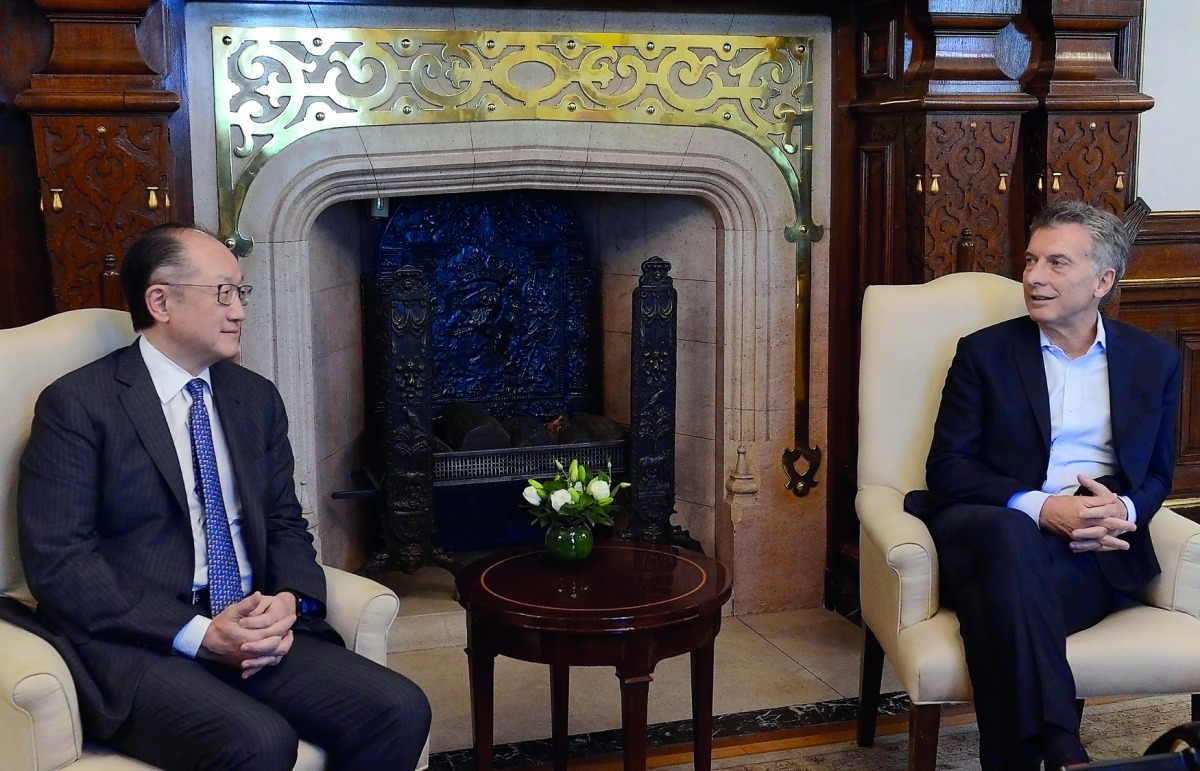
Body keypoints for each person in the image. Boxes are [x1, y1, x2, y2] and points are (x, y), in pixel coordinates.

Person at [16, 224, 431, 770]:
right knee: (258, 742)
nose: (239, 311)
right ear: (160, 300)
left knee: (398, 707)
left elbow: (284, 520)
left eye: (242, 292)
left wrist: (288, 601)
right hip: (141, 642)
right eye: (223, 293)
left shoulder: (253, 398)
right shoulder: (78, 405)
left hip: (249, 622)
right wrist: (201, 634)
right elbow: (61, 565)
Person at [904, 200, 1182, 770]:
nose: (1033, 277)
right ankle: (1063, 745)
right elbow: (948, 468)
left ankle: (1019, 758)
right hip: (985, 524)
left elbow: (1157, 473)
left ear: (1103, 280)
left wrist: (1123, 509)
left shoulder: (1152, 360)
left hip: (1089, 547)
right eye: (1031, 261)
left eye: (1057, 263)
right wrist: (1039, 506)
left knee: (999, 604)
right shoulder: (984, 353)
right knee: (1011, 539)